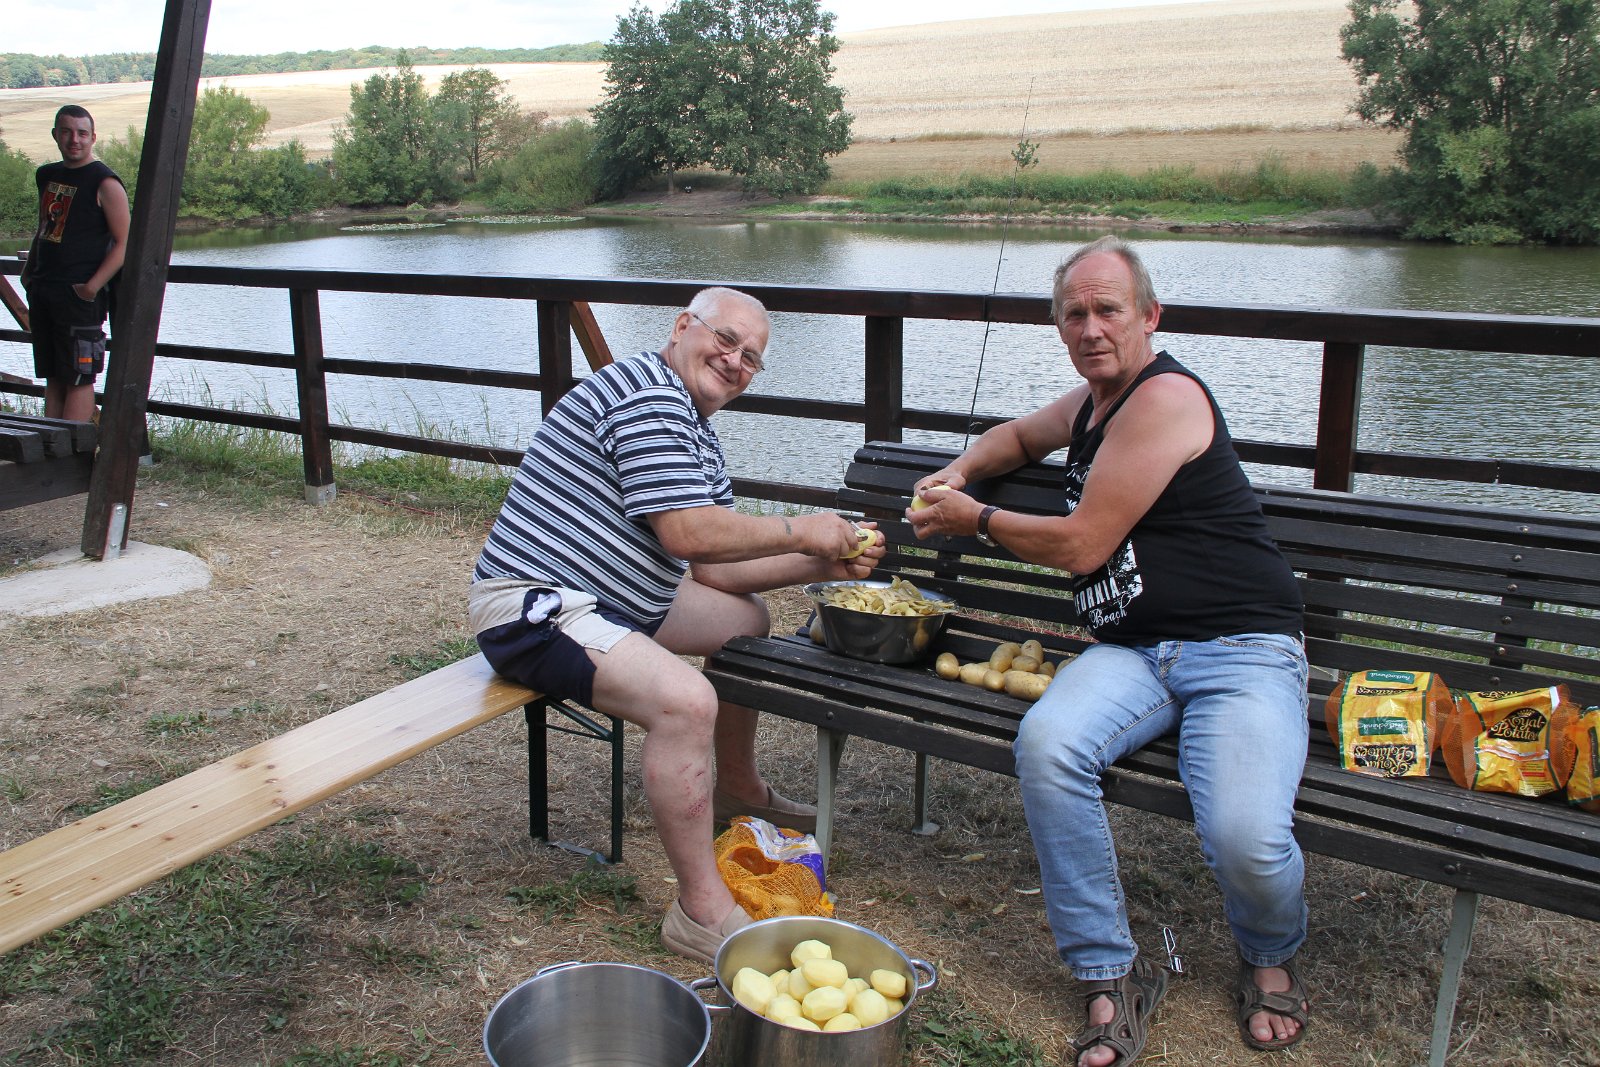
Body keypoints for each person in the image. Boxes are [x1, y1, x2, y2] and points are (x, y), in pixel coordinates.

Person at [906, 236, 1311, 1065]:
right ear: (1059, 326)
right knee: (1048, 745)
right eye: (1074, 314)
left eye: (1108, 310)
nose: (1091, 328)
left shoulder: (1167, 398)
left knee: (1245, 834)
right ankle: (1109, 971)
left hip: (1241, 649)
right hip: (1135, 650)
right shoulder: (1091, 402)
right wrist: (956, 473)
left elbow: (1083, 545)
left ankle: (1269, 950)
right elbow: (1019, 437)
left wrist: (974, 519)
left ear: (1150, 316)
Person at [469, 286, 885, 966]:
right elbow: (689, 531)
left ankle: (736, 787)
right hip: (536, 608)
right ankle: (700, 913)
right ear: (683, 326)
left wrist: (823, 561)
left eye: (751, 357)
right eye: (726, 339)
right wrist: (802, 527)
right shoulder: (647, 392)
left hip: (615, 602)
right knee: (687, 702)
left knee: (744, 623)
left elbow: (713, 568)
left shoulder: (694, 426)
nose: (735, 361)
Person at [22, 105, 128, 422]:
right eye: (67, 132)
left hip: (78, 295)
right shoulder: (47, 175)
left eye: (82, 133)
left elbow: (125, 242)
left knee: (79, 378)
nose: (74, 140)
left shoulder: (105, 182)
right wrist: (29, 273)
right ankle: (51, 447)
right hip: (44, 289)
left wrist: (91, 288)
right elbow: (45, 226)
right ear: (55, 135)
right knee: (54, 375)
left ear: (93, 137)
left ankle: (75, 450)